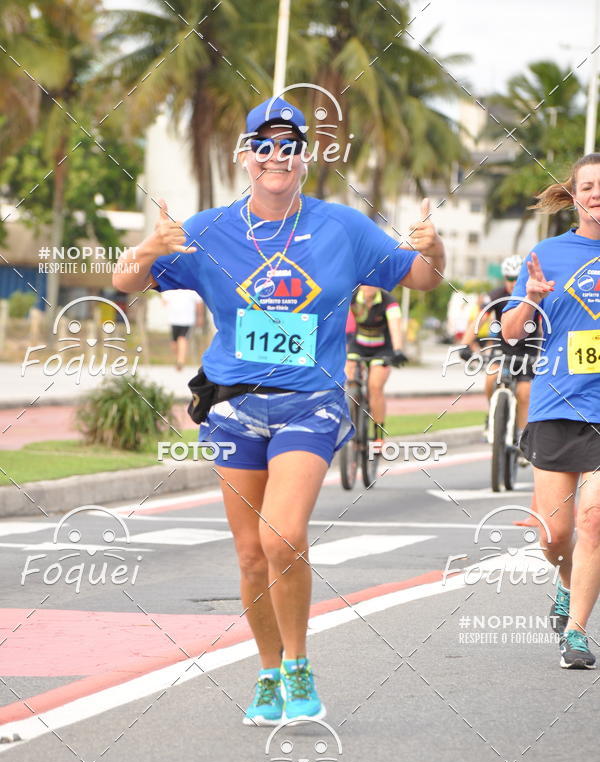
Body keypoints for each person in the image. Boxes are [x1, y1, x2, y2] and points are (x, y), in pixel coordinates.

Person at [113, 97, 445, 721]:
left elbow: (422, 277)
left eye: (288, 146)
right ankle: (266, 672)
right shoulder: (211, 229)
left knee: (283, 536)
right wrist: (149, 245)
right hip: (233, 407)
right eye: (263, 146)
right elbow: (125, 280)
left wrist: (436, 248)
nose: (276, 157)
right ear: (245, 156)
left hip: (310, 405)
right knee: (248, 554)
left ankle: (298, 665)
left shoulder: (342, 228)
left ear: (304, 158)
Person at [502, 152, 600, 670]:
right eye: (587, 186)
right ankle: (565, 583)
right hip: (557, 402)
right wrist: (530, 298)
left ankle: (579, 633)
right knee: (555, 534)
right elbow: (511, 331)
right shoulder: (549, 253)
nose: (596, 194)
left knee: (595, 518)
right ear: (575, 195)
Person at [461, 255, 538, 437]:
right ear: (505, 278)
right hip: (503, 349)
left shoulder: (534, 296)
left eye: (517, 278)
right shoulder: (496, 295)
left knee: (524, 393)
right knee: (490, 377)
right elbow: (479, 320)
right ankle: (492, 414)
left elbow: (544, 325)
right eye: (509, 278)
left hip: (528, 350)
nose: (513, 283)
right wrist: (465, 343)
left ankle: (521, 436)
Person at [345, 285, 408, 449]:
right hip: (358, 345)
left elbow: (395, 327)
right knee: (348, 375)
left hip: (383, 349)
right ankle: (353, 417)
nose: (369, 287)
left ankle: (378, 436)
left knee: (375, 386)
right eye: (366, 282)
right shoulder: (352, 296)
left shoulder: (389, 302)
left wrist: (398, 350)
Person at [161, 288, 204, 370]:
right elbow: (164, 301)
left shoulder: (191, 287)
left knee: (182, 338)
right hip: (173, 319)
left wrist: (200, 317)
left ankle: (181, 361)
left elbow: (199, 303)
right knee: (174, 343)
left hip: (187, 320)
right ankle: (178, 357)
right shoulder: (170, 287)